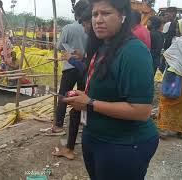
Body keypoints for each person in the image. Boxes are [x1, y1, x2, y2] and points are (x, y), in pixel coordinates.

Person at [63, 0, 159, 179]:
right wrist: (85, 96)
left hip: (123, 144)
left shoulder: (133, 52)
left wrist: (90, 103)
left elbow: (141, 111)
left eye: (106, 13)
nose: (98, 20)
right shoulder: (102, 46)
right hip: (97, 137)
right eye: (95, 14)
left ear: (123, 16)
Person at [52, 7, 92, 160]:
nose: (85, 28)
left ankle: (58, 125)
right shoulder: (96, 36)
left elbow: (59, 45)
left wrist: (69, 56)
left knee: (64, 95)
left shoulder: (69, 27)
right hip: (85, 67)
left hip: (71, 67)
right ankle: (83, 123)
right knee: (82, 99)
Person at [156, 18, 182, 140]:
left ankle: (164, 129)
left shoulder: (178, 43)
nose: (177, 30)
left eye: (179, 27)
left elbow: (168, 56)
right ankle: (181, 131)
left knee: (167, 101)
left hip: (173, 78)